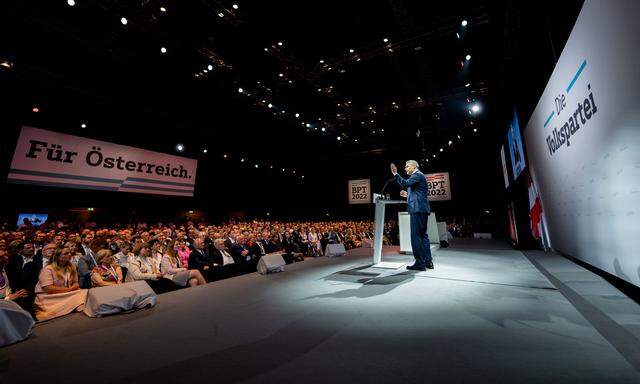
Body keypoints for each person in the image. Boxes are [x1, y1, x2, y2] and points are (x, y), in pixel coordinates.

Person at [391, 160, 434, 270]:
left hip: (417, 210)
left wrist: (395, 174)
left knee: (416, 237)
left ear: (414, 166)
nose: (405, 168)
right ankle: (428, 261)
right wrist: (407, 194)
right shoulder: (419, 177)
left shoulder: (417, 175)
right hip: (422, 209)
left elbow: (405, 183)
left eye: (407, 166)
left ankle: (420, 263)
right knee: (423, 236)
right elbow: (418, 193)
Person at [34, 247, 88, 321]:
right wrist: (69, 289)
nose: (69, 255)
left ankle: (75, 306)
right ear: (57, 256)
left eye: (70, 253)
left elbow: (75, 283)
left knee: (86, 292)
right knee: (82, 297)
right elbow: (48, 288)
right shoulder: (48, 269)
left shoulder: (72, 266)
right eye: (66, 253)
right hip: (50, 296)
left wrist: (72, 288)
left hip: (68, 293)